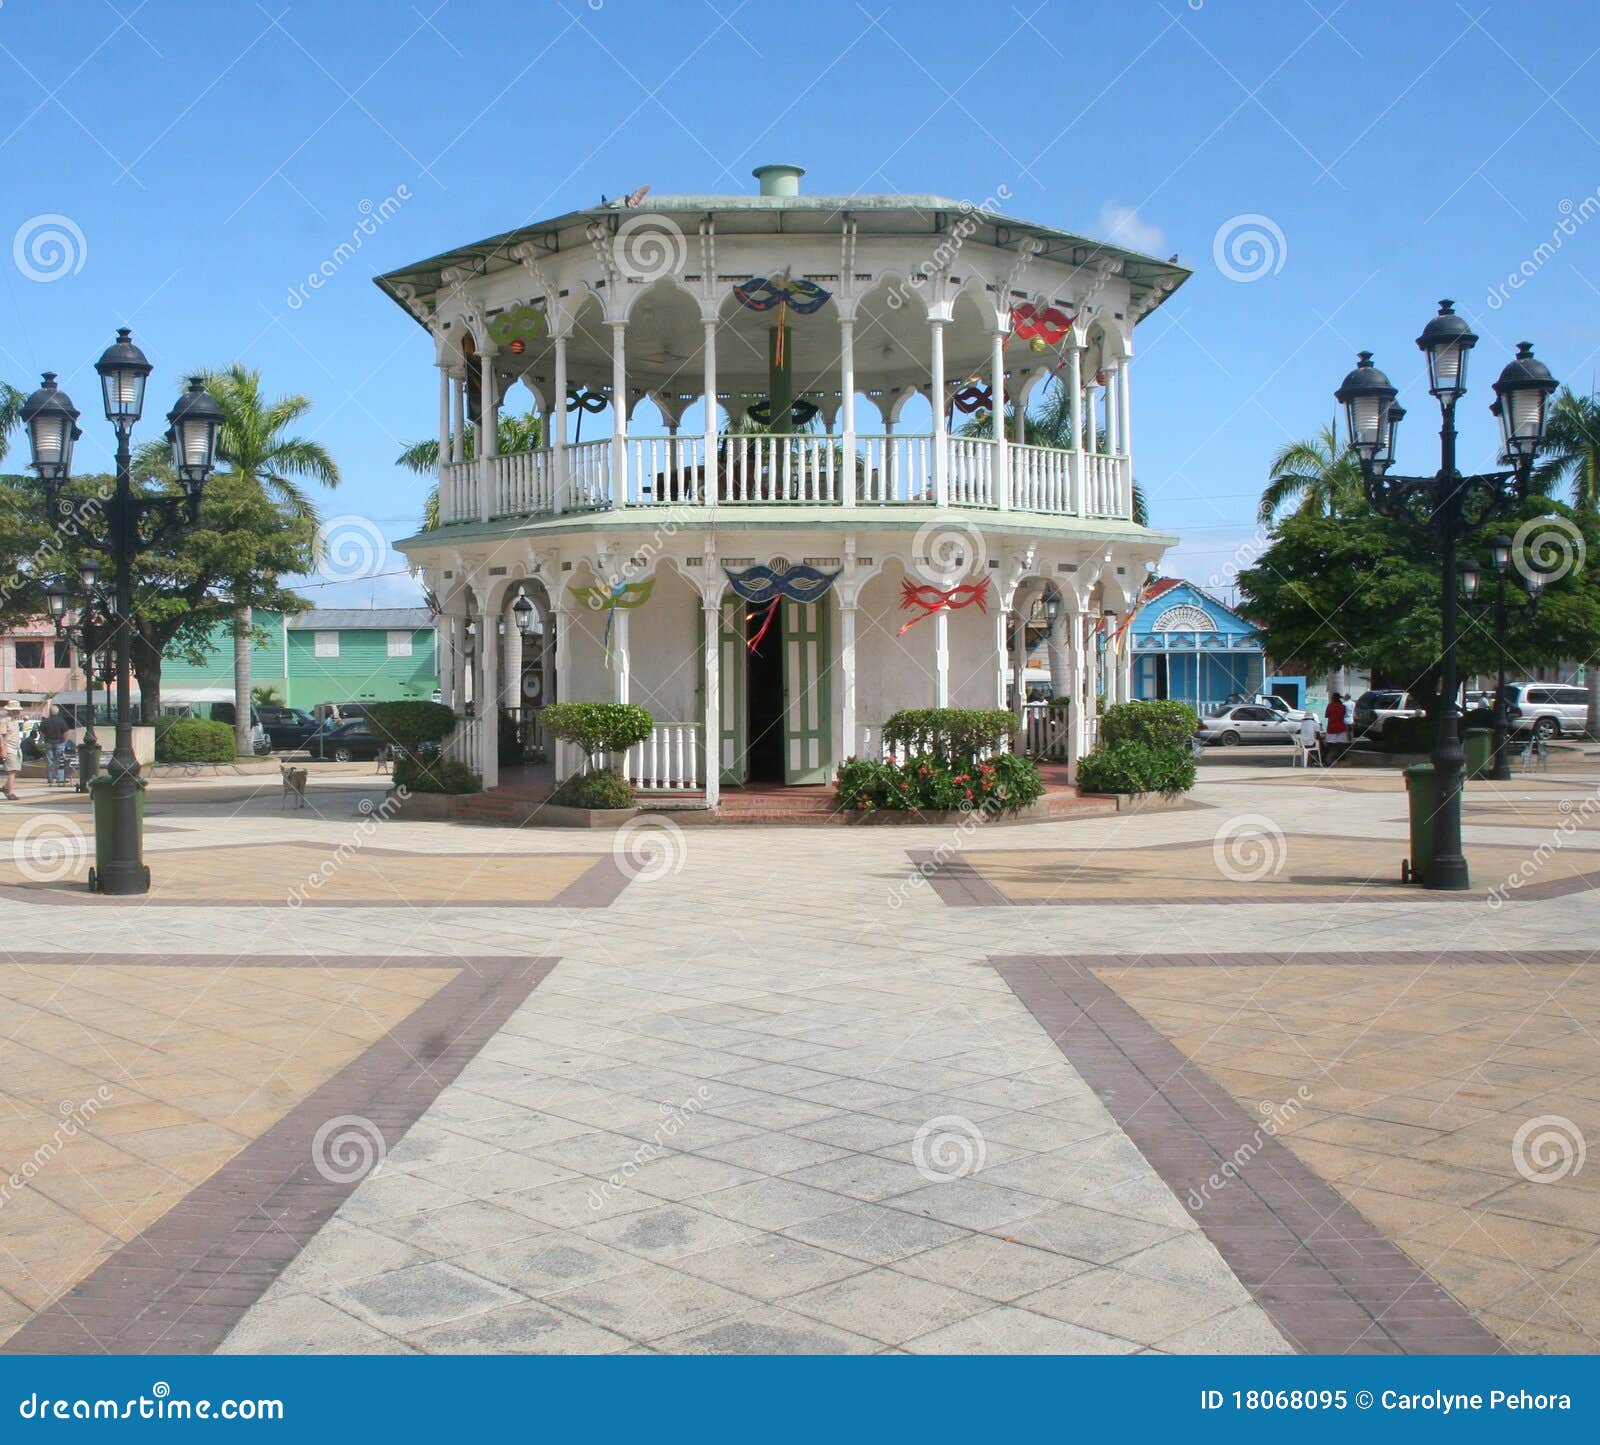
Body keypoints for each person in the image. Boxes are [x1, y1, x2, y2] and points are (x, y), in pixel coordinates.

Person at [39, 705, 70, 787]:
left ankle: (50, 779)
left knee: (50, 761)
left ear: (50, 712)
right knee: (59, 761)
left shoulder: (45, 721)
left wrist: (44, 739)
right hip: (59, 742)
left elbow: (41, 732)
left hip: (48, 742)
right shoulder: (61, 721)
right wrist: (64, 742)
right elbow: (66, 732)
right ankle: (59, 778)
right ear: (57, 712)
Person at [1, 701, 22, 800]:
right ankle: (10, 792)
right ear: (12, 711)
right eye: (17, 710)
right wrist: (2, 749)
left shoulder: (14, 720)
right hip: (8, 748)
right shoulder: (4, 720)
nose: (19, 712)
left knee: (15, 769)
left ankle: (6, 787)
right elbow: (1, 735)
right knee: (12, 771)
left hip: (16, 748)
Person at [1325, 691, 1351, 760]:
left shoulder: (1330, 706)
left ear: (1333, 698)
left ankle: (1328, 759)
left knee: (1331, 745)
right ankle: (1342, 758)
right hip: (1341, 727)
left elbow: (1326, 715)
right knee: (1341, 744)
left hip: (1331, 728)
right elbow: (1344, 715)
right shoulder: (1343, 706)